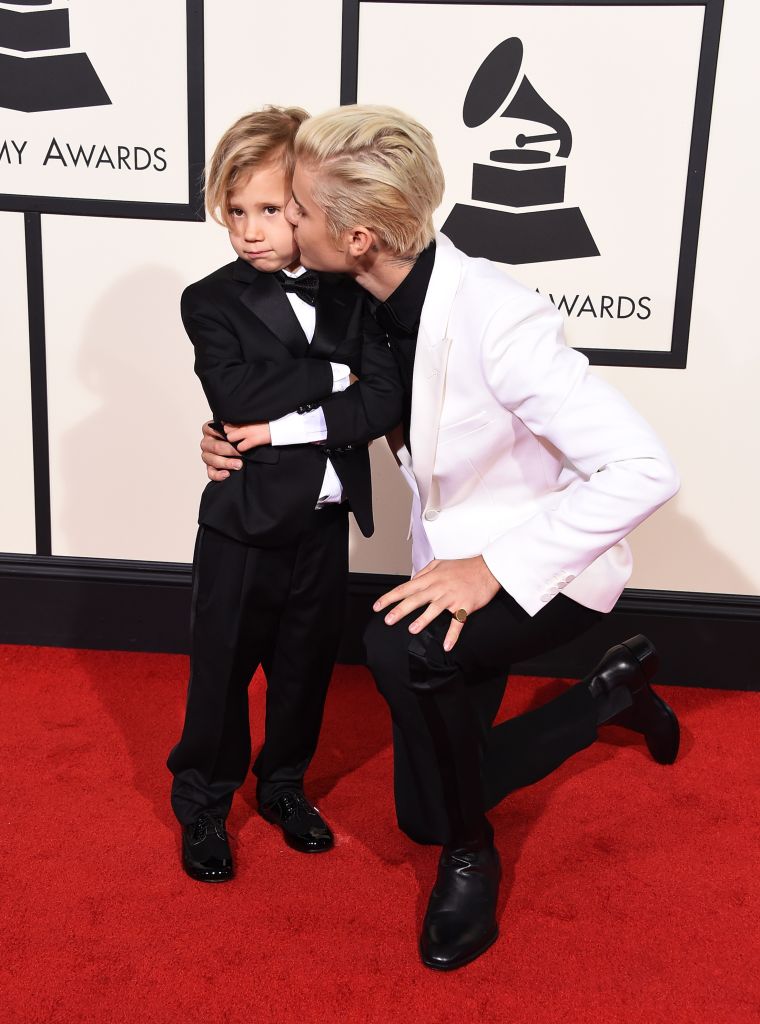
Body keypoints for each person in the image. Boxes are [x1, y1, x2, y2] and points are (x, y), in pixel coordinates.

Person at [198, 105, 680, 969]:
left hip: (546, 568)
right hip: (445, 561)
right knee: (421, 807)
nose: (281, 218)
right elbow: (301, 390)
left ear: (357, 238)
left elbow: (645, 468)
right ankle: (612, 693)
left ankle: (472, 857)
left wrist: (492, 567)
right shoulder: (359, 296)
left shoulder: (500, 318)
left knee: (402, 649)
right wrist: (226, 437)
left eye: (296, 207)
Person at [167, 106, 402, 883]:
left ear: (307, 204)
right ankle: (203, 802)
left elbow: (382, 402)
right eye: (235, 211)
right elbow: (236, 396)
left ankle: (284, 786)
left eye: (269, 210)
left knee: (305, 669)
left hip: (325, 523)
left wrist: (281, 420)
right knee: (223, 671)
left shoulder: (355, 290)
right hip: (243, 523)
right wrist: (334, 374)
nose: (249, 231)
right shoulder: (210, 300)